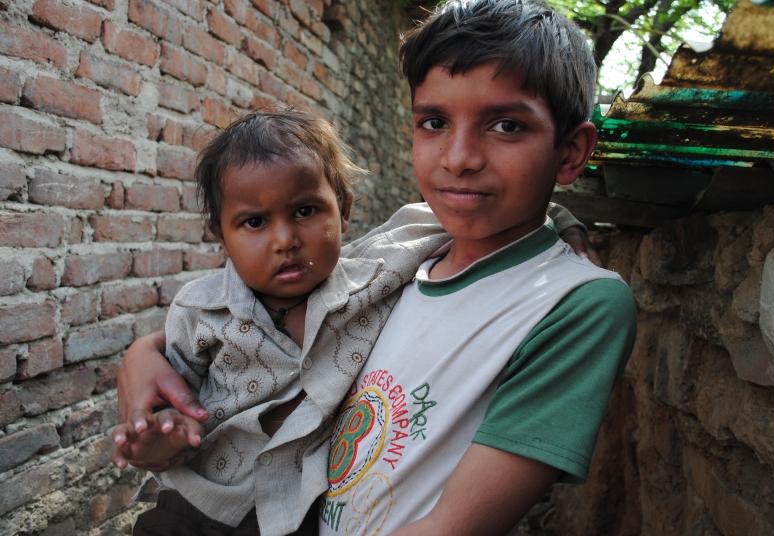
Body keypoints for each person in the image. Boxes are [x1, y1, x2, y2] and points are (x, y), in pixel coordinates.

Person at [115, 0, 638, 533]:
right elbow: (233, 325)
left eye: (505, 125)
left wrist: (568, 235)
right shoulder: (400, 249)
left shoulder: (577, 305)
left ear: (571, 152)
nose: (458, 158)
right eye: (434, 121)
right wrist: (140, 356)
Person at [115, 109, 456, 535]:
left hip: (310, 508)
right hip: (205, 504)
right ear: (220, 233)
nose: (285, 240)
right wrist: (161, 436)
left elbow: (474, 214)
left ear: (344, 209)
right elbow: (169, 398)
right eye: (254, 222)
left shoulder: (376, 275)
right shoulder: (199, 312)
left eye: (306, 211)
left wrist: (565, 224)